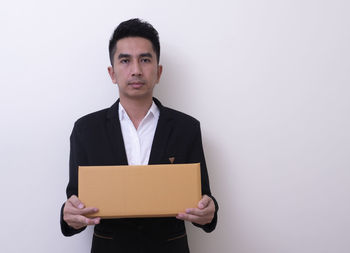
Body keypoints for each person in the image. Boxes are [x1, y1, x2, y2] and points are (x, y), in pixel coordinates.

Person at [60, 18, 218, 253]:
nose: (135, 70)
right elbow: (75, 202)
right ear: (112, 73)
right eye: (125, 61)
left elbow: (203, 200)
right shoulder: (86, 130)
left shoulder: (187, 128)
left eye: (145, 60)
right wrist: (68, 215)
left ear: (158, 72)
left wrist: (209, 211)